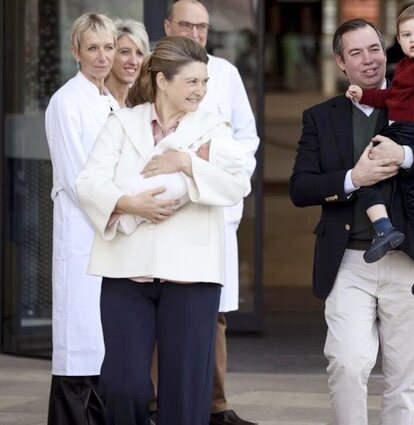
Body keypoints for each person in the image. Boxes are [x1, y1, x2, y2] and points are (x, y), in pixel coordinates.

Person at [289, 18, 414, 425]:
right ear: (340, 62)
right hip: (350, 261)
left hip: (411, 262)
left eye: (374, 48)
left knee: (405, 376)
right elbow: (300, 188)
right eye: (355, 52)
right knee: (347, 363)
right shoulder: (320, 117)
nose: (368, 59)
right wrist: (355, 179)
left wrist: (406, 158)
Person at [75, 35, 250, 425]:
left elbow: (238, 184)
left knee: (185, 393)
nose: (201, 91)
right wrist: (128, 204)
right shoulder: (122, 122)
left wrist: (185, 162)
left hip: (193, 275)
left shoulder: (214, 128)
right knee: (124, 385)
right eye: (192, 82)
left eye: (205, 82)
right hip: (126, 272)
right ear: (161, 80)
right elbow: (88, 182)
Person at [162, 2, 260, 425]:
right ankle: (155, 404)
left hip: (212, 209)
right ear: (167, 27)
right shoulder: (154, 74)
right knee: (158, 304)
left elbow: (246, 140)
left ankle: (215, 406)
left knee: (212, 311)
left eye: (202, 26)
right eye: (187, 25)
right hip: (162, 211)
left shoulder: (226, 74)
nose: (196, 33)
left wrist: (218, 179)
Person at [344, 2, 414, 297]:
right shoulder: (405, 66)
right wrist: (364, 95)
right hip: (405, 129)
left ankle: (387, 230)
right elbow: (390, 96)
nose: (413, 40)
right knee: (406, 195)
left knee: (368, 173)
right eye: (406, 35)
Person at [43, 13, 119, 425]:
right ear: (75, 52)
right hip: (83, 232)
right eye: (92, 47)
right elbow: (77, 181)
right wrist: (124, 213)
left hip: (107, 235)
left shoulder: (108, 99)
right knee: (78, 342)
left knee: (99, 342)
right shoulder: (66, 102)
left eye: (108, 47)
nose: (102, 56)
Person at [105, 19, 149, 108]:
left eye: (139, 53)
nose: (133, 61)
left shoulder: (142, 105)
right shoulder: (94, 102)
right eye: (125, 52)